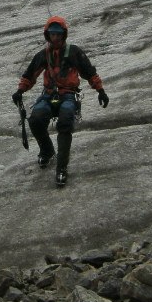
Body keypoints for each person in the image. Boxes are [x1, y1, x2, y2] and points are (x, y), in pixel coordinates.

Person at [12, 16, 109, 186]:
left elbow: (89, 72)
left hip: (69, 94)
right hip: (49, 95)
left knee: (65, 122)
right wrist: (20, 90)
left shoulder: (74, 52)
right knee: (35, 120)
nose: (55, 37)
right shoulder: (43, 55)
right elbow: (30, 75)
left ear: (63, 34)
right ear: (47, 35)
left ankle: (61, 168)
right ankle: (48, 151)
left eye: (58, 34)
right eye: (52, 34)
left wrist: (100, 90)